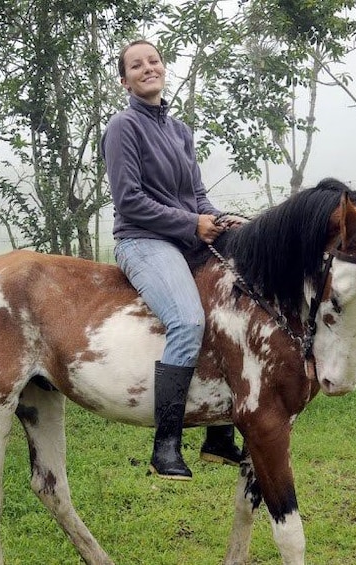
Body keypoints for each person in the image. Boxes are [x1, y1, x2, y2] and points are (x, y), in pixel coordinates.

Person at [101, 39, 242, 480]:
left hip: (186, 238)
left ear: (164, 69)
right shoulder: (123, 127)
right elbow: (129, 201)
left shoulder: (179, 131)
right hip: (143, 240)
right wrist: (192, 224)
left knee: (238, 304)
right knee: (188, 320)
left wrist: (219, 218)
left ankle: (219, 437)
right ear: (124, 80)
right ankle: (165, 445)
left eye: (154, 61)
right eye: (136, 65)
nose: (148, 68)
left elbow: (196, 196)